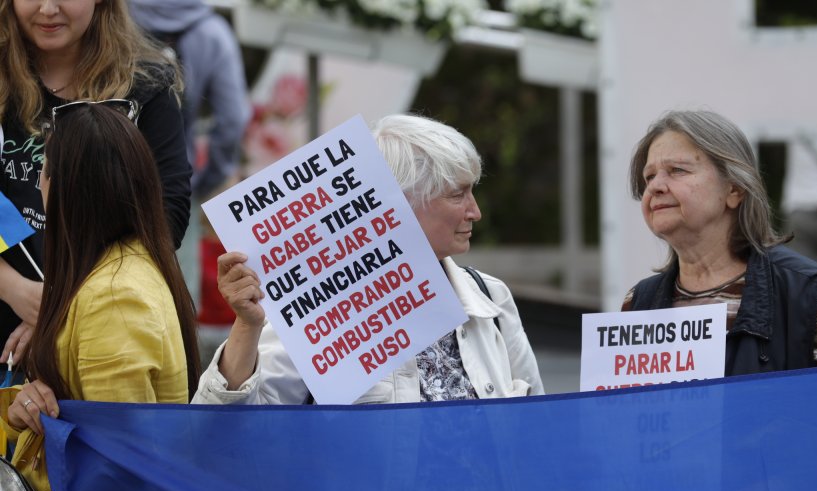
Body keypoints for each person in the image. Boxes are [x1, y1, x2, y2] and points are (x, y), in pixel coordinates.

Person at [0, 103, 199, 491]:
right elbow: (94, 431)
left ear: (65, 185)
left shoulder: (116, 295)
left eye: (44, 170)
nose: (38, 183)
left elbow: (117, 470)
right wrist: (32, 408)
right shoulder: (119, 273)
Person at [192, 113, 543, 404]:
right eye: (458, 195)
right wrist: (247, 326)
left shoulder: (490, 297)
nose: (475, 212)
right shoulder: (322, 310)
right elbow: (223, 427)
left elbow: (534, 423)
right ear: (402, 201)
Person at [0, 0, 192, 378]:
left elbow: (167, 215)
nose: (47, 8)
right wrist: (13, 288)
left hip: (108, 326)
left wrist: (64, 305)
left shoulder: (146, 87)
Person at [624, 110, 817, 373]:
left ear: (734, 189)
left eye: (677, 170)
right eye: (649, 176)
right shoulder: (638, 303)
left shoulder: (812, 294)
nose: (655, 186)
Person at [130, 0, 251, 202]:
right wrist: (207, 182)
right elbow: (233, 119)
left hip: (113, 179)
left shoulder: (116, 20)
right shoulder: (213, 32)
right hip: (176, 184)